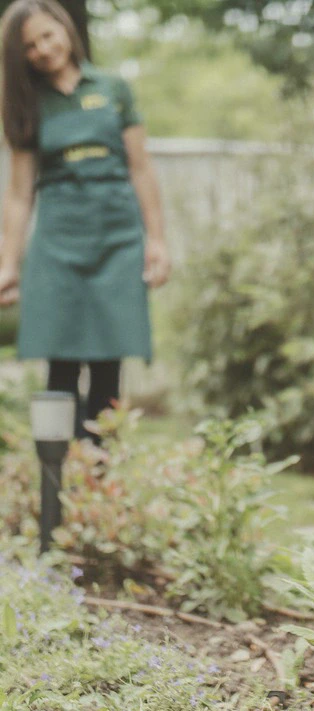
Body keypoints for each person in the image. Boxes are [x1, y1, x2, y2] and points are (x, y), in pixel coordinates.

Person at [0, 0, 170, 441]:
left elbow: (140, 168)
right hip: (59, 243)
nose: (42, 49)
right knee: (60, 365)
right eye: (30, 46)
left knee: (108, 365)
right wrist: (8, 263)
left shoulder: (114, 89)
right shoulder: (27, 103)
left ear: (64, 28)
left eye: (47, 36)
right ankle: (56, 483)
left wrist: (157, 239)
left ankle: (99, 480)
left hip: (117, 241)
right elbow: (19, 195)